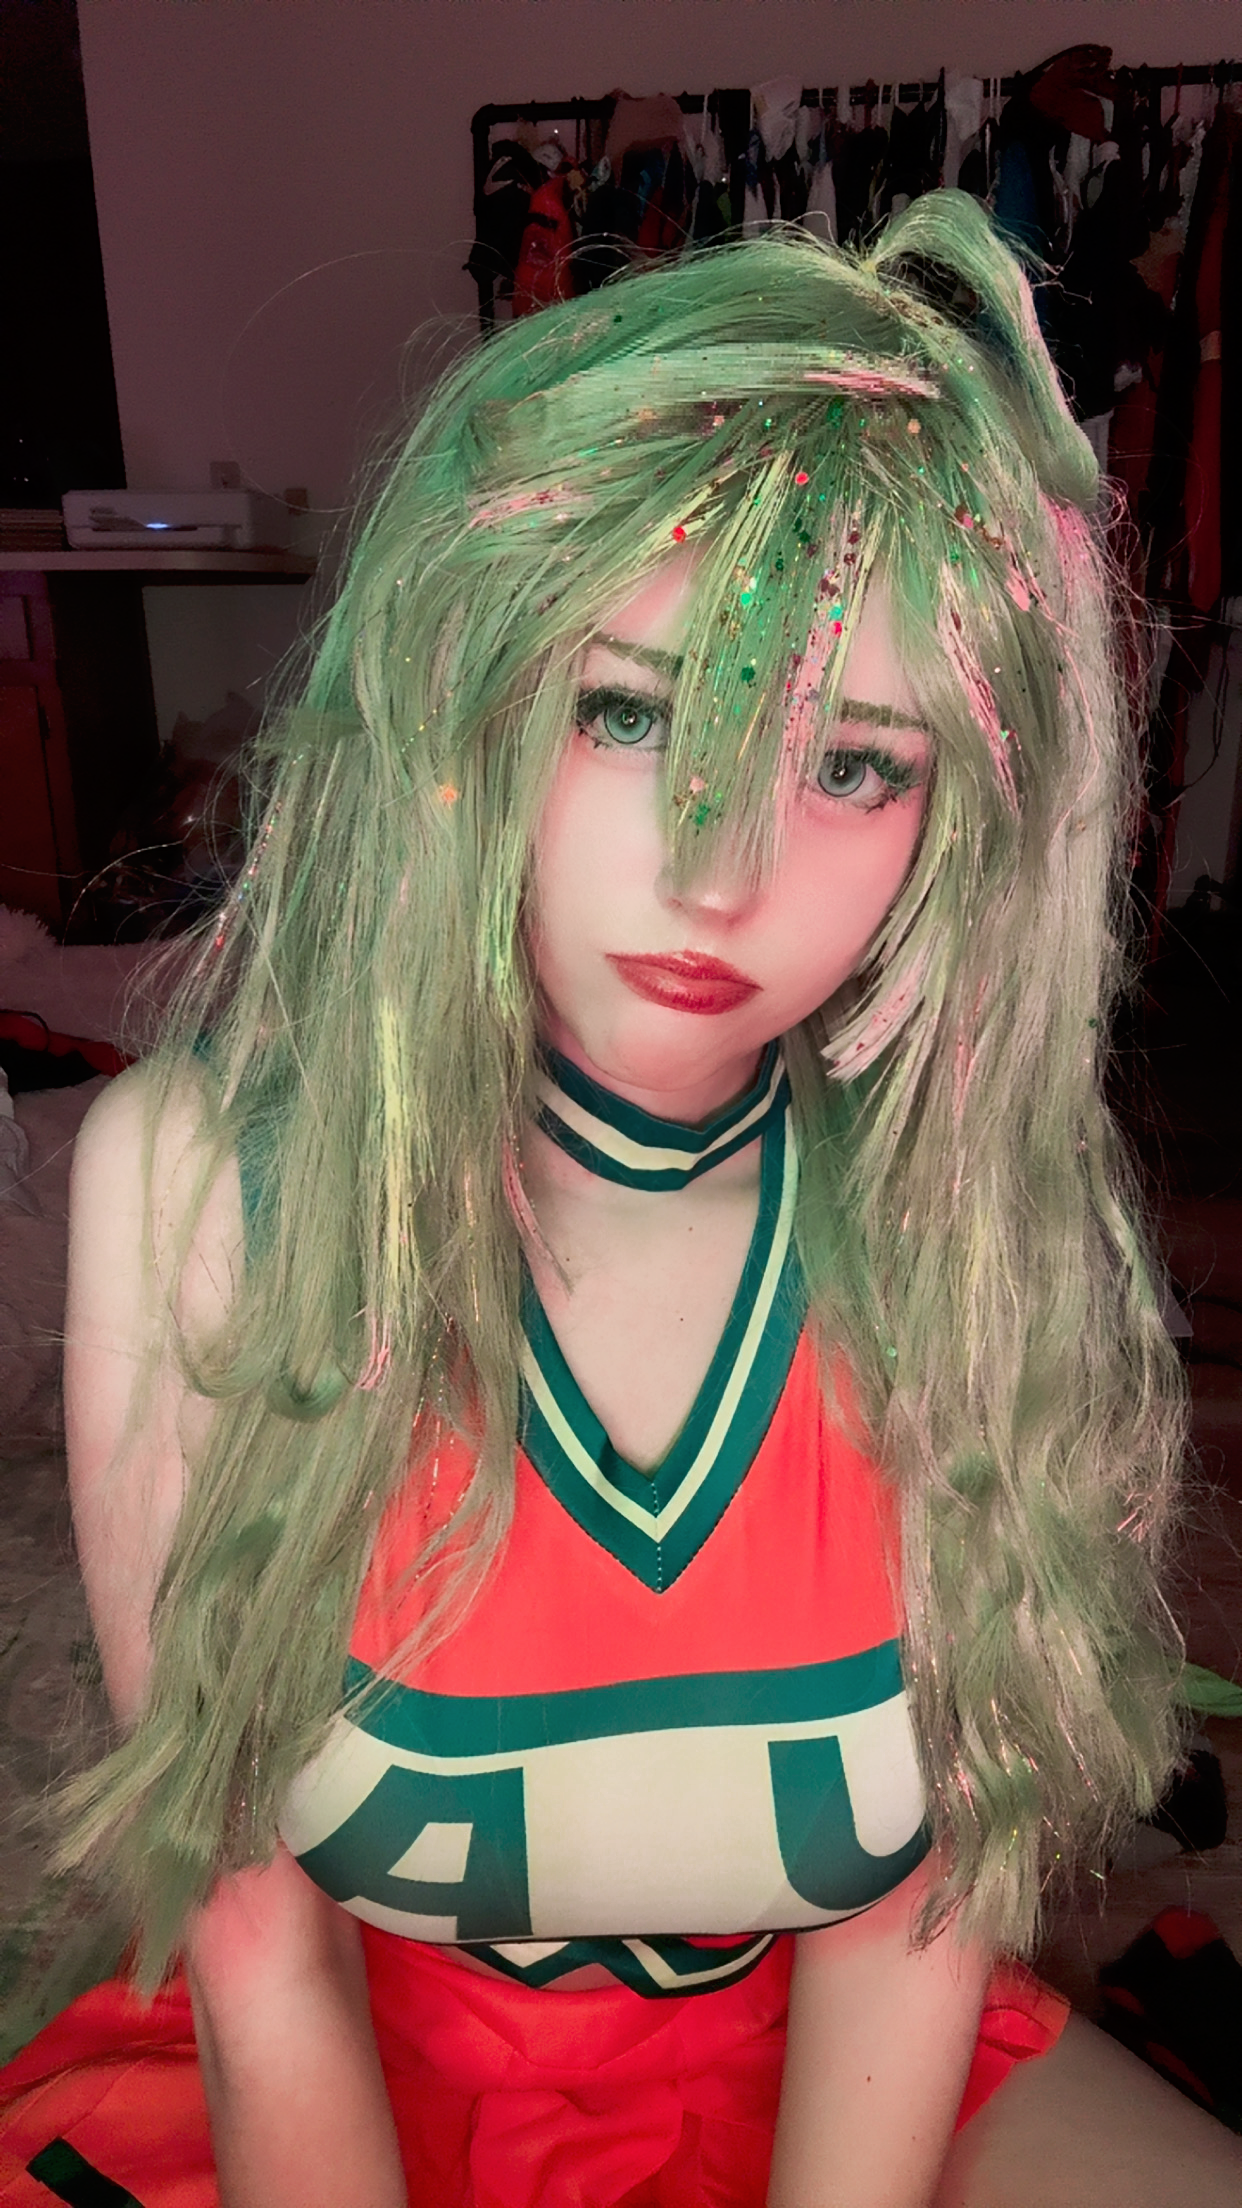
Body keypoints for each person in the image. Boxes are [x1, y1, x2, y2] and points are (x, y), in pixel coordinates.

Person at [2, 193, 1240, 2208]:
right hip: (364, 2075)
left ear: (960, 826)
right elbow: (258, 1956)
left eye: (853, 764)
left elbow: (904, 1931)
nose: (717, 869)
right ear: (473, 696)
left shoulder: (969, 1234)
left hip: (826, 2062)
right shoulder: (199, 1188)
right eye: (634, 712)